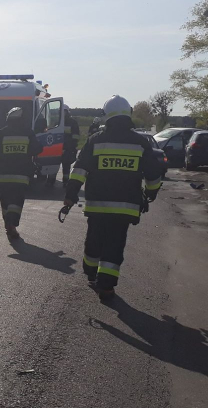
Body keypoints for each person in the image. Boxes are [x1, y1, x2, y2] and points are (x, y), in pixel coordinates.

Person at [63, 95, 162, 301]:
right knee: (114, 245)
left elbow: (79, 169)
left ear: (106, 115)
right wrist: (150, 193)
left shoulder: (95, 140)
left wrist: (71, 195)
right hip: (125, 208)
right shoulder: (140, 142)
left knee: (94, 240)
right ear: (128, 114)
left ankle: (91, 273)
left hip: (97, 206)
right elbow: (153, 174)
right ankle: (106, 287)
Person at [0, 107, 40, 242]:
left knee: (5, 201)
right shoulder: (28, 132)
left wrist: (2, 153)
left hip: (4, 175)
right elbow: (38, 149)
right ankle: (12, 224)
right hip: (21, 175)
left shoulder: (2, 132)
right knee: (17, 201)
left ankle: (8, 224)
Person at [62, 112, 80, 184]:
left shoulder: (73, 122)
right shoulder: (58, 121)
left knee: (66, 165)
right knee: (55, 164)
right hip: (58, 146)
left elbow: (76, 136)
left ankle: (65, 181)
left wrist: (72, 146)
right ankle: (51, 180)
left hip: (68, 148)